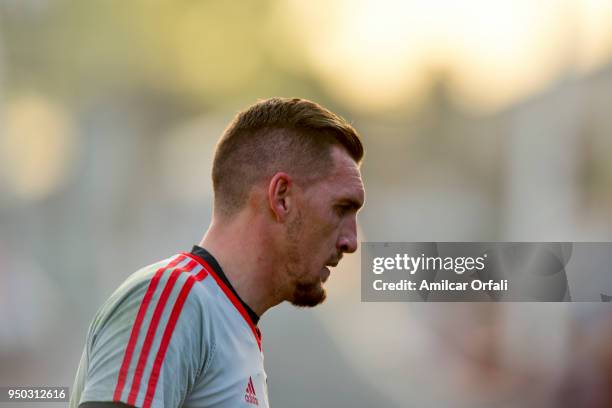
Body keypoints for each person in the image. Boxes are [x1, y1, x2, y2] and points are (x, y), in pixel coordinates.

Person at [70, 97, 365, 408]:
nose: (352, 241)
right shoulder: (173, 296)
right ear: (282, 198)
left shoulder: (233, 328)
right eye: (341, 208)